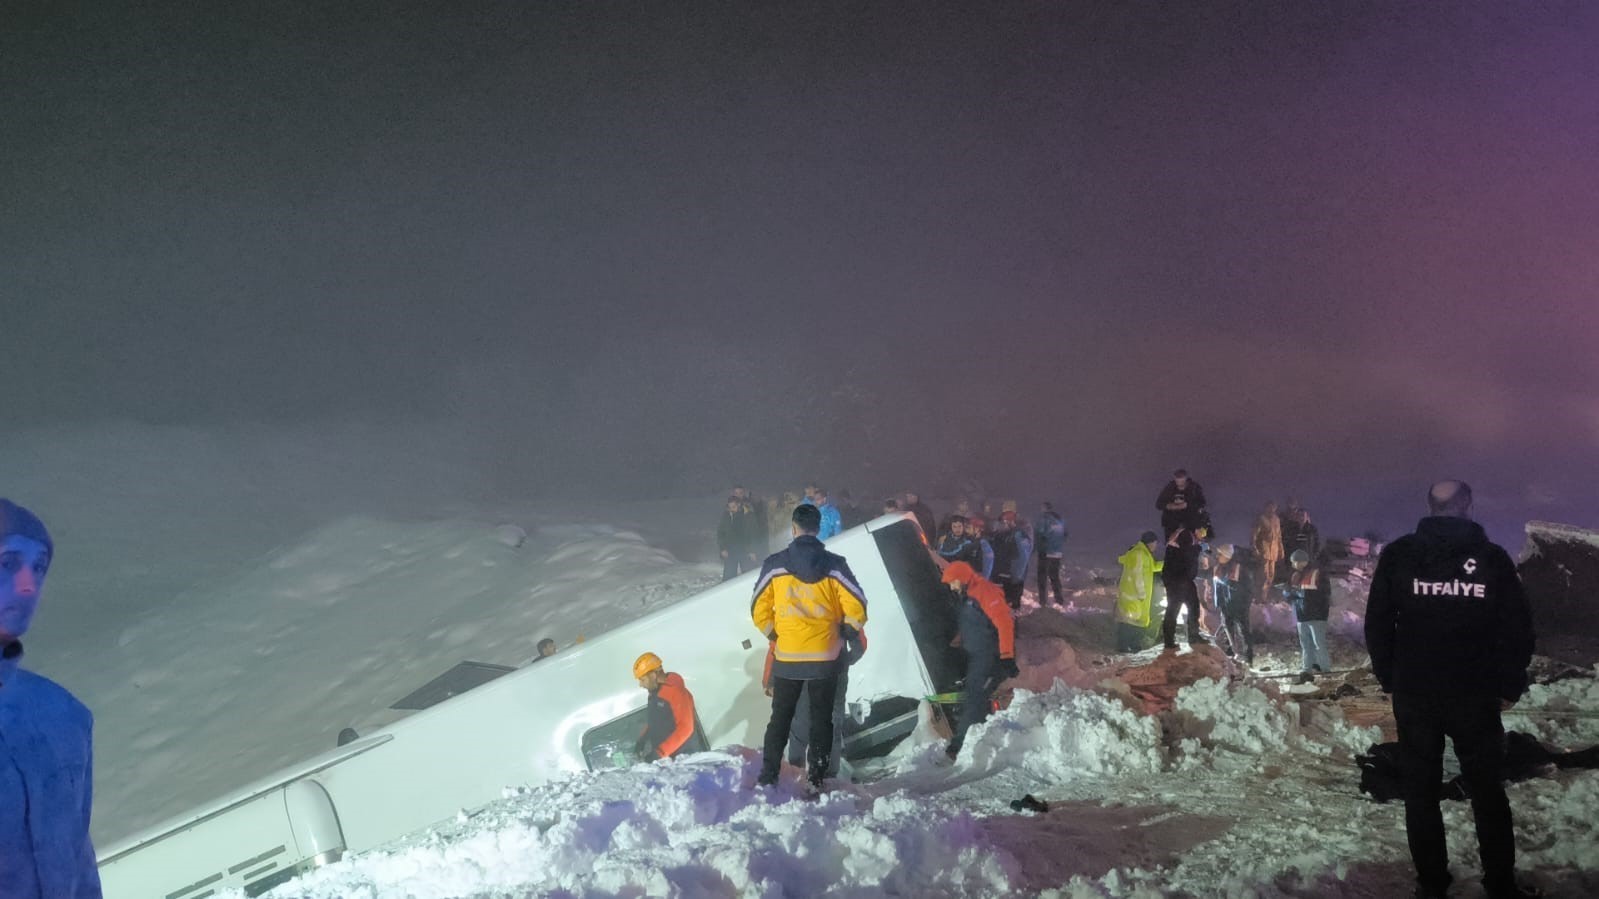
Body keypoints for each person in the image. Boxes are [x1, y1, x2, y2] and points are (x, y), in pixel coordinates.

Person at [1365, 480, 1538, 899]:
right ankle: (1500, 883)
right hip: (1475, 694)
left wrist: (1392, 677)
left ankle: (1431, 884)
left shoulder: (1400, 556)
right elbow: (1517, 628)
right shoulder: (1493, 559)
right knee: (1486, 791)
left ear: (1429, 507)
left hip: (1416, 693)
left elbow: (1378, 624)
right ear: (1468, 506)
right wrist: (1510, 683)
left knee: (1420, 791)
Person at [0, 499, 103, 898]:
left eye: (39, 567)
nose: (28, 585)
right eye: (7, 563)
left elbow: (80, 870)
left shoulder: (64, 716)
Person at [751, 503, 868, 789]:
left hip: (788, 657)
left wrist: (776, 634)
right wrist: (845, 631)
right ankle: (816, 778)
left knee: (780, 719)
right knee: (822, 720)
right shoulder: (835, 565)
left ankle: (768, 777)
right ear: (818, 529)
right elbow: (859, 605)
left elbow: (757, 608)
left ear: (793, 528)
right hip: (825, 658)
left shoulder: (775, 565)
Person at [940, 561, 1017, 759]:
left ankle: (957, 749)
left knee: (974, 698)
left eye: (952, 583)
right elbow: (972, 622)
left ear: (961, 579)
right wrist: (958, 639)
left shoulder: (985, 592)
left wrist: (1007, 656)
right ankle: (982, 742)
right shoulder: (968, 595)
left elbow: (1004, 624)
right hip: (976, 655)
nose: (951, 587)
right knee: (975, 698)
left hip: (989, 656)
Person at [632, 652, 707, 760]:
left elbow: (686, 727)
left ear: (653, 675)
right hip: (669, 760)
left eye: (642, 680)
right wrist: (642, 739)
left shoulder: (675, 692)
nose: (641, 685)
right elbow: (655, 720)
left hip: (686, 760)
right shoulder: (655, 692)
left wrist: (659, 753)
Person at [1284, 549, 1331, 681]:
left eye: (1294, 562)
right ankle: (1306, 669)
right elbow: (1291, 595)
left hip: (1316, 616)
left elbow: (1324, 594)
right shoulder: (1296, 575)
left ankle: (1326, 670)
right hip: (1302, 615)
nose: (1293, 565)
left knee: (1319, 644)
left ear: (1302, 562)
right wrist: (1287, 592)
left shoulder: (1318, 573)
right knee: (1306, 645)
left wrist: (1299, 594)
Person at [1160, 525, 1206, 650]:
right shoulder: (1187, 541)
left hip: (1174, 582)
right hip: (1182, 581)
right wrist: (1197, 548)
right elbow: (1189, 562)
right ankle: (1193, 636)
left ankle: (1169, 641)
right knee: (1192, 608)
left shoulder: (1173, 544)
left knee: (1173, 611)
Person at [1115, 531, 1163, 652]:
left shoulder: (1145, 554)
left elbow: (1152, 567)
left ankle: (1132, 645)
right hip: (1134, 594)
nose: (1156, 546)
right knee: (1130, 621)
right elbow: (1137, 574)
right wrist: (1141, 593)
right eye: (1155, 543)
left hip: (1137, 595)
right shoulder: (1139, 554)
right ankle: (1125, 646)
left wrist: (1168, 564)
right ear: (1150, 542)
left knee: (1134, 621)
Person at [1211, 544, 1255, 664]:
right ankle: (1231, 654)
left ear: (1227, 556)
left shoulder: (1239, 569)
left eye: (1220, 554)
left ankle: (1247, 656)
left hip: (1239, 605)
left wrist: (1245, 604)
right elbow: (1217, 588)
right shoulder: (1218, 568)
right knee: (1227, 629)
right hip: (1225, 605)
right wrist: (1218, 603)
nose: (1217, 556)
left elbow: (1246, 588)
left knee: (1243, 631)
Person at [990, 512, 1031, 610]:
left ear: (1010, 522)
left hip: (1012, 578)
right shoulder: (1001, 535)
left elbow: (1022, 557)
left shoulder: (1018, 535)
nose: (1000, 525)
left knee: (1012, 606)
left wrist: (1016, 577)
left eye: (1003, 522)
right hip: (1001, 576)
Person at [1033, 501, 1067, 607]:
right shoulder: (1059, 519)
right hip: (1057, 552)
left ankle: (1043, 601)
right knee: (1054, 576)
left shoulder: (1043, 519)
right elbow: (1065, 534)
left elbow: (1039, 534)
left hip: (1045, 552)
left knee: (1042, 577)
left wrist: (1035, 548)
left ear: (1044, 508)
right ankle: (1059, 599)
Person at [717, 495, 759, 580]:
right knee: (728, 578)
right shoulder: (726, 516)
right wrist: (722, 548)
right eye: (729, 507)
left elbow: (754, 534)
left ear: (739, 505)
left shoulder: (748, 516)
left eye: (734, 507)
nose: (732, 509)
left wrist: (752, 551)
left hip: (745, 550)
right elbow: (720, 533)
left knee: (748, 577)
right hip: (730, 550)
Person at [1156, 469, 1208, 537]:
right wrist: (1170, 506)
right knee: (1172, 545)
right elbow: (1158, 504)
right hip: (1172, 525)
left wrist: (1187, 505)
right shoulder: (1169, 488)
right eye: (1177, 479)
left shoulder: (1194, 488)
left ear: (1185, 478)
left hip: (1190, 524)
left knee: (1190, 544)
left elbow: (1202, 503)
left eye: (1181, 479)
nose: (1179, 482)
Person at [1252, 501, 1284, 602]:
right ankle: (1259, 598)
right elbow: (1254, 534)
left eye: (1273, 507)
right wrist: (1254, 547)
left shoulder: (1277, 520)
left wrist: (1281, 550)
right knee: (1263, 576)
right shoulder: (1261, 519)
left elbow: (1279, 536)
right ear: (1266, 507)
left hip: (1273, 552)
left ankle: (1264, 597)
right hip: (1264, 551)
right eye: (1269, 507)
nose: (1271, 509)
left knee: (1271, 576)